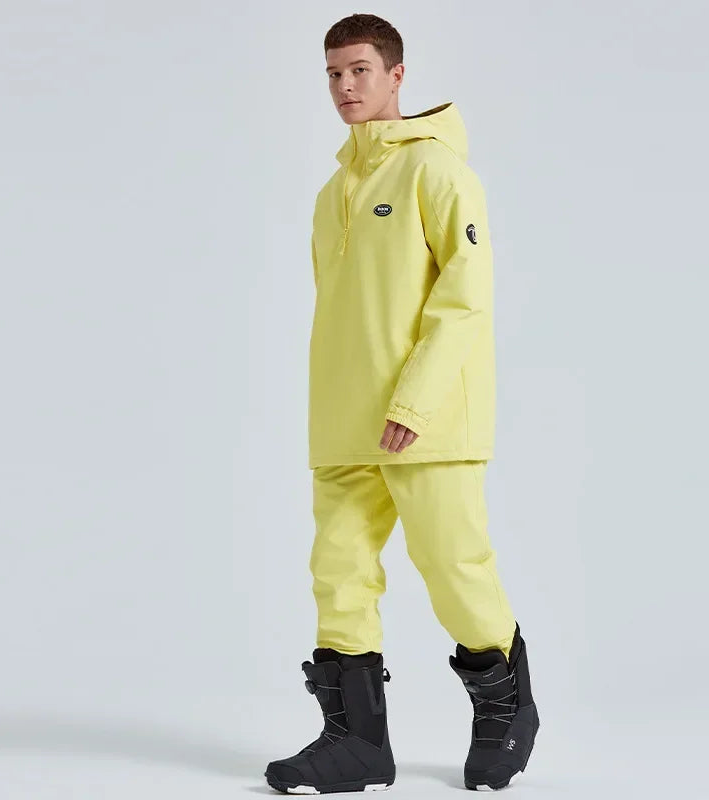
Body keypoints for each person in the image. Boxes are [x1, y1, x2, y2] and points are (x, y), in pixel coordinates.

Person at [265, 13, 540, 795]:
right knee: (339, 574)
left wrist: (414, 402)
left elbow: (465, 298)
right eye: (333, 73)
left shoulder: (438, 172)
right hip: (343, 420)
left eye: (359, 70)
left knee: (452, 565)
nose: (344, 86)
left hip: (428, 422)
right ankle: (355, 744)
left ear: (396, 74)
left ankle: (508, 709)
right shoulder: (332, 193)